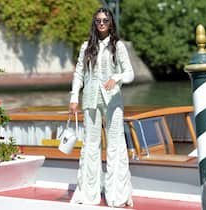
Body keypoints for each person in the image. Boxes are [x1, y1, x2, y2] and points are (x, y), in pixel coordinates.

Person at [68, 7, 134, 207]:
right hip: (90, 99)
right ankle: (88, 195)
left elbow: (130, 73)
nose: (102, 23)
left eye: (105, 20)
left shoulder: (118, 46)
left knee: (115, 146)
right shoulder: (86, 46)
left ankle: (117, 195)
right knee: (90, 146)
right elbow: (79, 73)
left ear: (111, 22)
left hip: (112, 101)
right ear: (94, 23)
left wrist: (117, 77)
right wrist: (73, 97)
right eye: (98, 20)